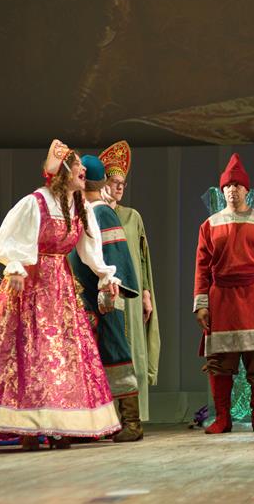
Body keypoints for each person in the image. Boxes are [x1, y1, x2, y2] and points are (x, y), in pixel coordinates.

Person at [0, 140, 121, 450]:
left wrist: (105, 275)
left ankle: (59, 426)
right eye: (77, 165)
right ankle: (29, 428)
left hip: (61, 288)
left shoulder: (80, 207)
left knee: (61, 355)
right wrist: (15, 266)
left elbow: (90, 250)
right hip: (31, 286)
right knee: (30, 354)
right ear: (62, 172)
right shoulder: (36, 202)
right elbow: (6, 239)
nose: (83, 169)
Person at [193, 153, 254, 433]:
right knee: (220, 362)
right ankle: (223, 418)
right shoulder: (209, 225)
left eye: (238, 185)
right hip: (221, 298)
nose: (233, 190)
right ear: (222, 191)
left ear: (247, 190)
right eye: (228, 186)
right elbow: (202, 267)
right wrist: (201, 304)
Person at [69, 155, 142, 442]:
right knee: (91, 359)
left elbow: (115, 256)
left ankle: (132, 422)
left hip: (104, 297)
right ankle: (96, 425)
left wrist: (108, 289)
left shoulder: (101, 212)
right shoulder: (82, 211)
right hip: (84, 298)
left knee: (115, 353)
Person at [99, 140, 161, 423]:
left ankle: (134, 417)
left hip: (131, 293)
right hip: (106, 291)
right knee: (108, 350)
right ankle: (107, 418)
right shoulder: (94, 214)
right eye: (114, 182)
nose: (119, 187)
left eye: (122, 183)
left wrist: (146, 292)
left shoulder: (132, 216)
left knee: (133, 348)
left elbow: (143, 258)